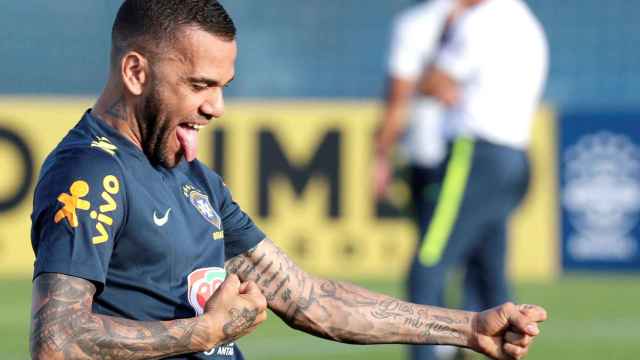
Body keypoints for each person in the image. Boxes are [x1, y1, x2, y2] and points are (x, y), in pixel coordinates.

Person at [29, 1, 547, 360]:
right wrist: (202, 332)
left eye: (223, 86)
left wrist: (468, 327)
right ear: (136, 73)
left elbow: (311, 299)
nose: (216, 107)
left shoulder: (193, 178)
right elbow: (59, 340)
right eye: (199, 85)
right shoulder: (92, 172)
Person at [379, 0, 549, 359]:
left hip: (475, 155)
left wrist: (438, 55)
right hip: (516, 155)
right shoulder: (529, 24)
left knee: (428, 265)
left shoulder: (479, 21)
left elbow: (432, 81)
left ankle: (429, 354)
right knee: (491, 274)